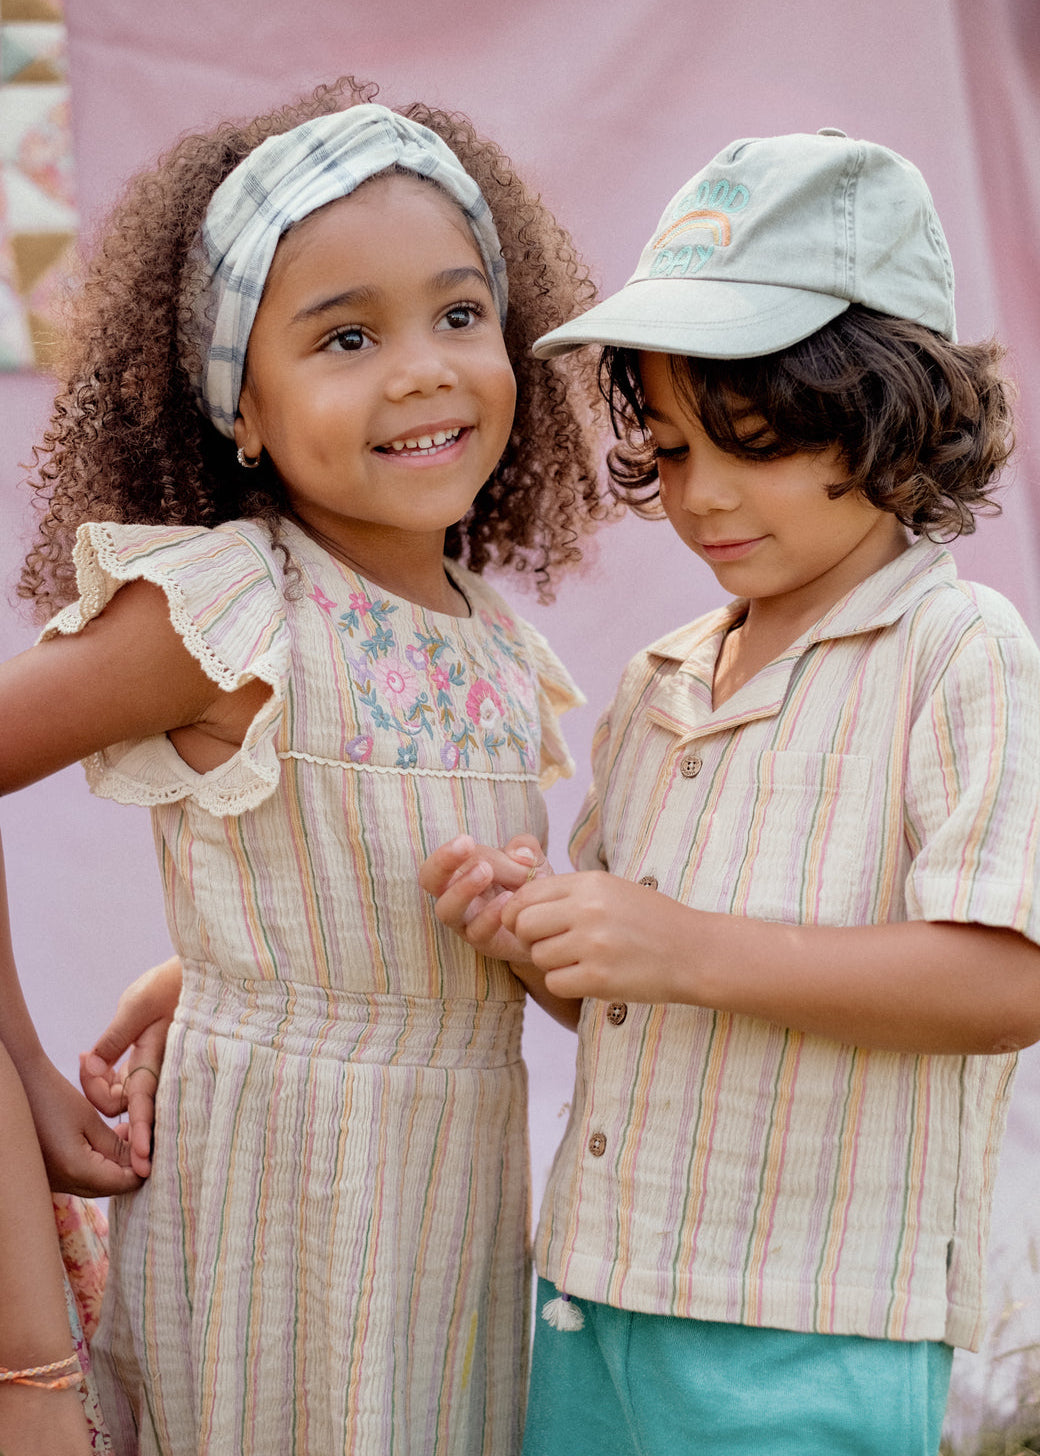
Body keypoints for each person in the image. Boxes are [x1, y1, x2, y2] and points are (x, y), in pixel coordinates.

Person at [1, 77, 606, 1456]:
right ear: (244, 410)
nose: (423, 368)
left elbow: (361, 912)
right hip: (273, 1207)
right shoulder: (229, 609)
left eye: (461, 314)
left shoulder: (497, 649)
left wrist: (521, 930)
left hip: (451, 1213)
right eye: (346, 336)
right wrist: (24, 1063)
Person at [422, 130, 1040, 1455]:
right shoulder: (662, 680)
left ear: (894, 418)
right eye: (672, 448)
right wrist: (546, 935)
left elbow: (1009, 980)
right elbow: (632, 1003)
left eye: (751, 444)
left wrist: (686, 946)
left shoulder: (959, 652)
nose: (700, 497)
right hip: (594, 1292)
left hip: (813, 1332)